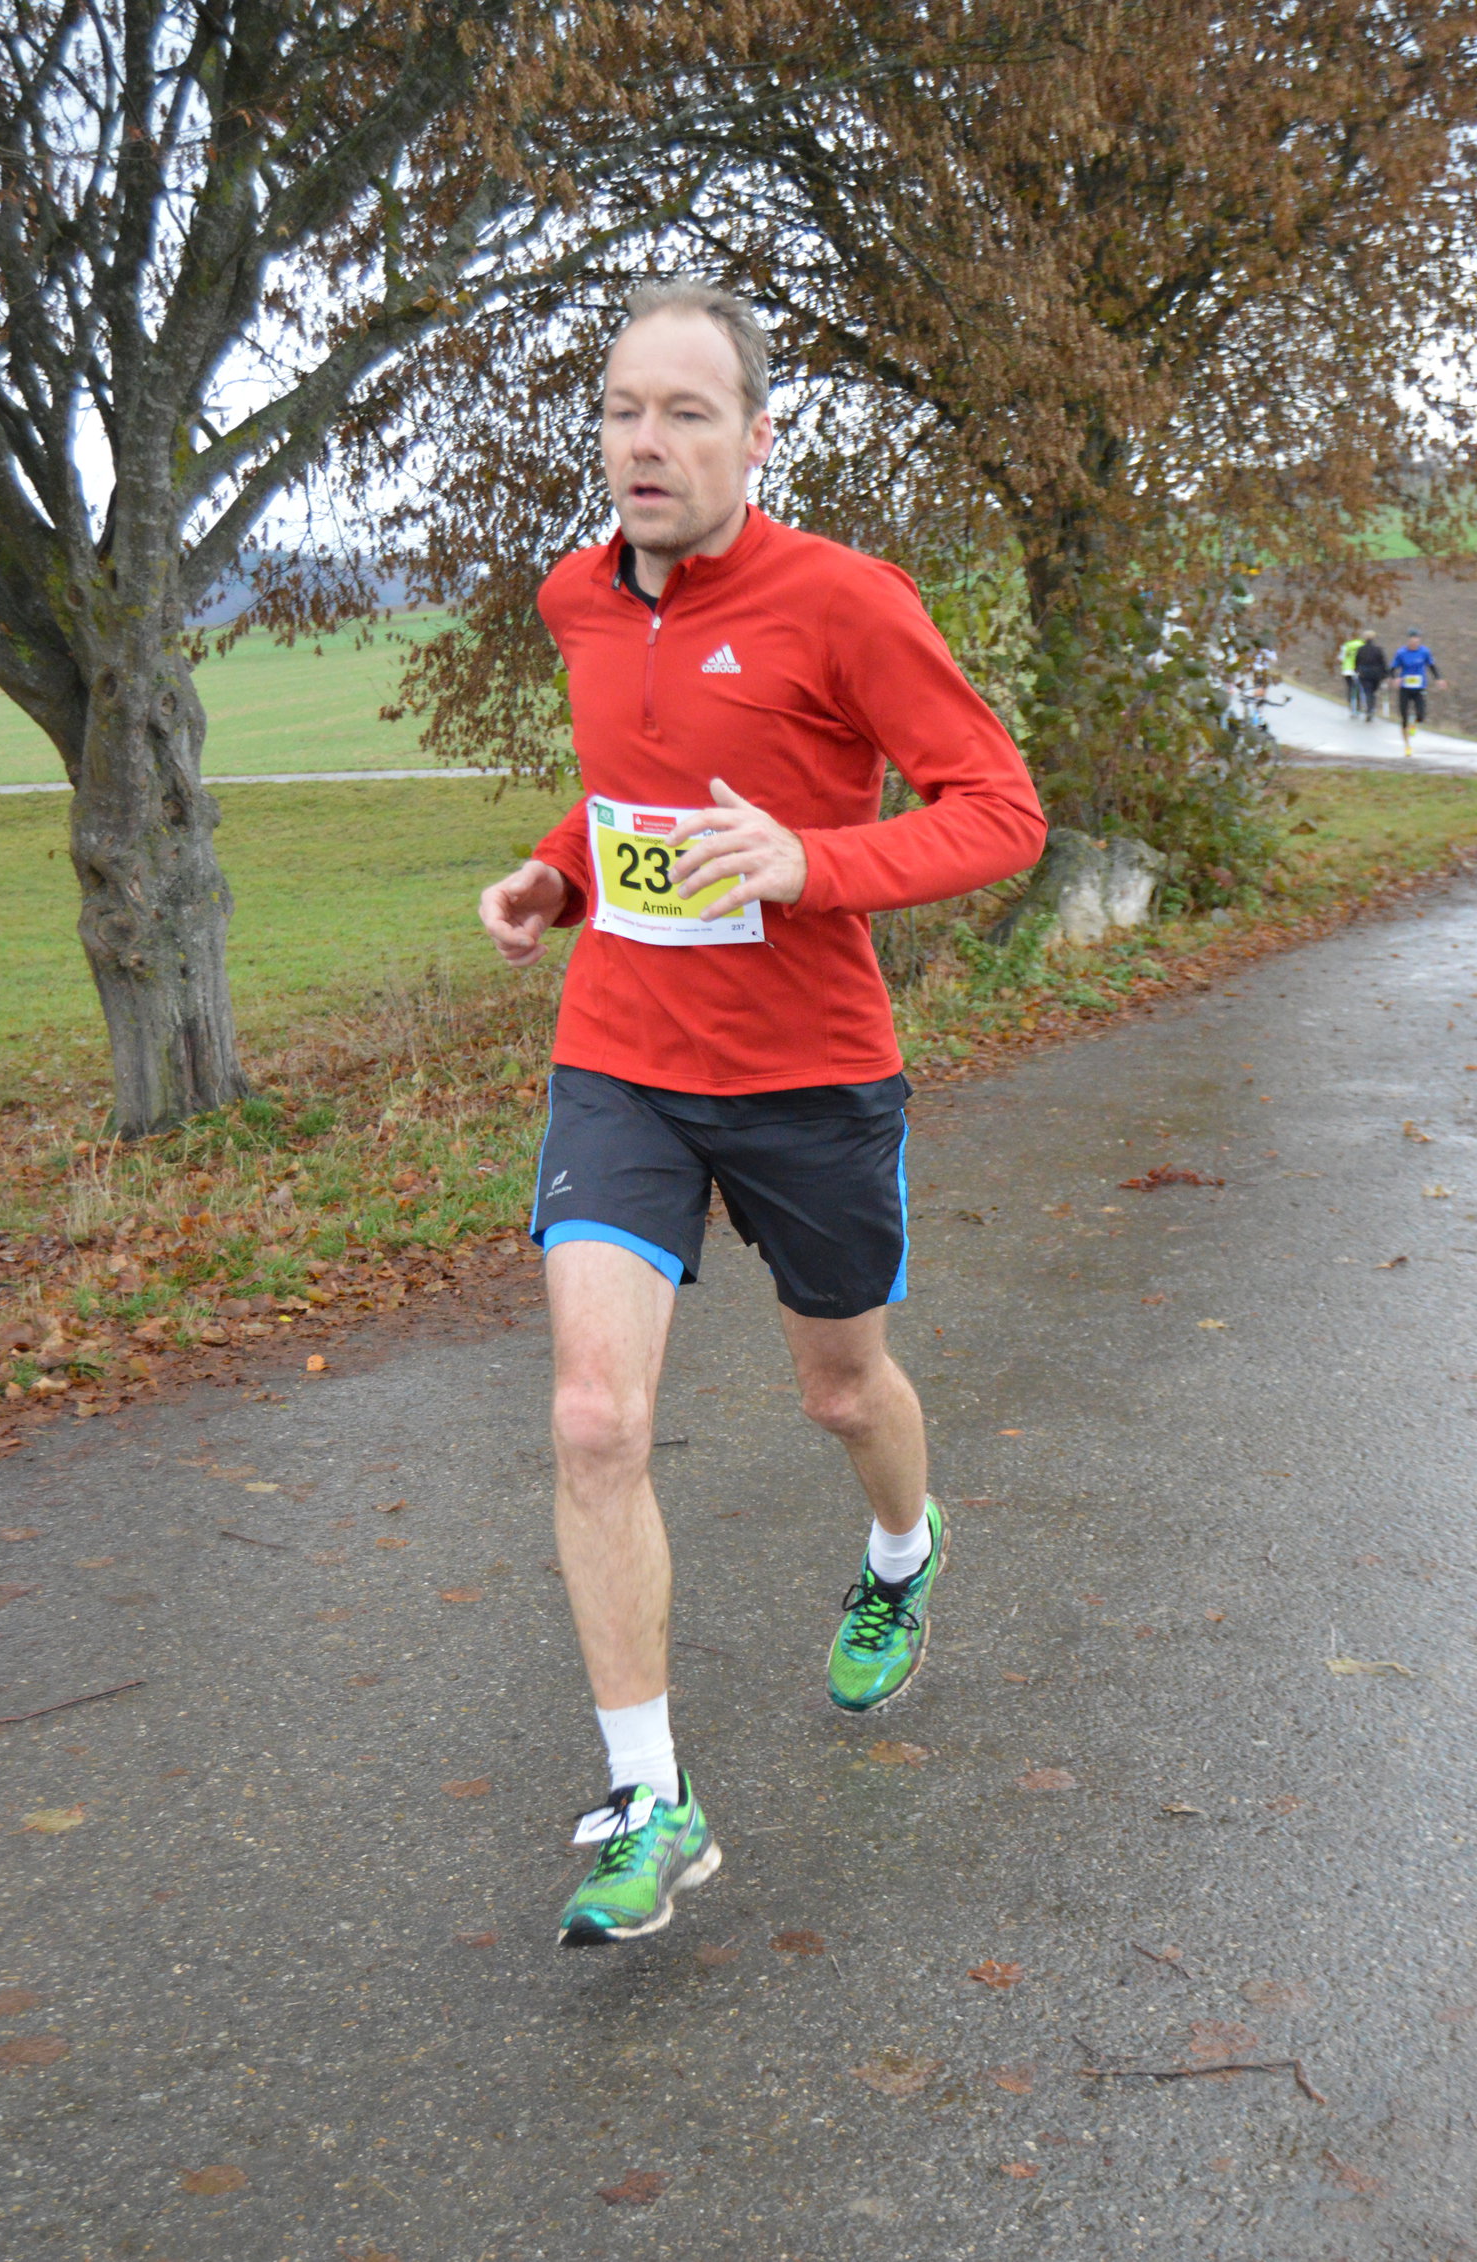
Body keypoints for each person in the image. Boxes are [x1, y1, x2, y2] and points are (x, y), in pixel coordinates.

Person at [478, 278, 1047, 1947]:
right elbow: (626, 784)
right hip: (623, 1061)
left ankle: (901, 1551)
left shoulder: (844, 602)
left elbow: (998, 810)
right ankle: (648, 1799)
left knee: (839, 1386)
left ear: (755, 434)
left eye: (685, 412)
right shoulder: (576, 595)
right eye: (620, 412)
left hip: (807, 1074)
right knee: (594, 1416)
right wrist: (559, 872)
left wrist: (814, 863)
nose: (643, 443)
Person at [1389, 628, 1446, 752]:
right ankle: (1407, 746)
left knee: (1421, 715)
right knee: (1404, 716)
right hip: (1405, 688)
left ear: (1419, 641)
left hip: (1419, 687)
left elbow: (1432, 666)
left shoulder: (1424, 652)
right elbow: (1392, 668)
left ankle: (1414, 724)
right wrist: (1395, 678)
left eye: (1417, 641)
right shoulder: (1401, 653)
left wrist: (1438, 679)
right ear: (1408, 641)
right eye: (1412, 641)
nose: (1415, 643)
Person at [1354, 633, 1389, 722]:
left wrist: (1356, 670)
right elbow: (1383, 662)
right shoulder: (1378, 650)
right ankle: (1371, 708)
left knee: (1367, 691)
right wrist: (1385, 674)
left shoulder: (1361, 650)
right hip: (1376, 675)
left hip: (1364, 674)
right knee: (1373, 692)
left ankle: (1369, 709)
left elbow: (1357, 661)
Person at [1339, 633, 1364, 716]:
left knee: (1350, 688)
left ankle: (1351, 707)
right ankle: (1358, 707)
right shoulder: (1362, 645)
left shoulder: (1346, 646)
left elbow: (1341, 658)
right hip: (1358, 670)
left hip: (1348, 670)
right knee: (1358, 689)